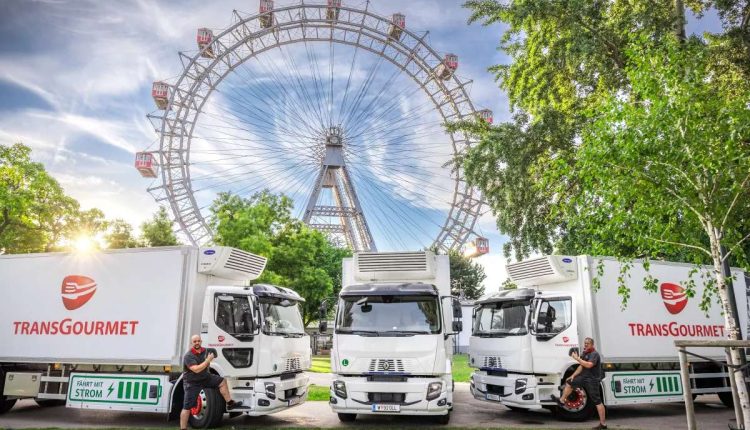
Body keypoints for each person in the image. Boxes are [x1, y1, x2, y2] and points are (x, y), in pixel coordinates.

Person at [180, 334, 244, 430]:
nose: (197, 343)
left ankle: (230, 403)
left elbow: (217, 353)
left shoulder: (205, 351)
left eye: (198, 341)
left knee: (222, 381)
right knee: (187, 407)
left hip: (205, 378)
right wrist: (208, 360)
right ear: (191, 343)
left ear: (201, 341)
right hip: (192, 382)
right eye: (195, 341)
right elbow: (197, 369)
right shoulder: (188, 356)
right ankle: (183, 428)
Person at [555, 337, 606, 429]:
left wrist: (577, 358)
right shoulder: (585, 353)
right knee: (570, 382)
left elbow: (589, 365)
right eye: (585, 343)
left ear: (592, 344)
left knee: (597, 402)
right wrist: (573, 376)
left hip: (592, 380)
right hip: (583, 378)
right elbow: (581, 367)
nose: (586, 345)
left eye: (588, 343)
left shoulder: (594, 354)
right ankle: (562, 401)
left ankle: (603, 424)